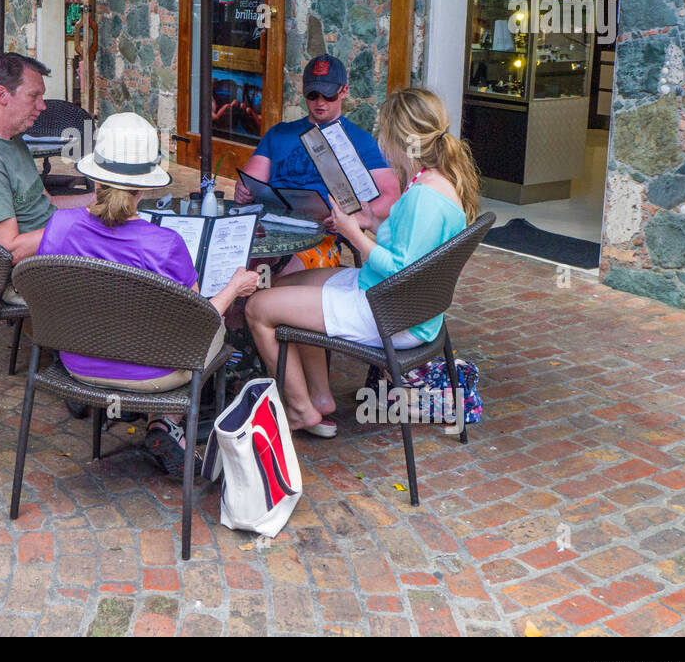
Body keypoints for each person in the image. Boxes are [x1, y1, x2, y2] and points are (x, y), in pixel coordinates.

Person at [245, 88, 480, 436]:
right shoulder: (439, 183)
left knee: (257, 307)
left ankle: (300, 410)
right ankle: (320, 398)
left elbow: (400, 269)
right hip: (397, 302)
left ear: (400, 138)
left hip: (390, 312)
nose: (380, 141)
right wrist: (372, 221)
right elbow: (412, 246)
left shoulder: (424, 197)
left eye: (384, 133)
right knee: (286, 285)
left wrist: (353, 234)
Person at [38, 112, 260, 476]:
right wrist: (235, 287)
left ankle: (162, 424)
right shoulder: (166, 244)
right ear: (145, 187)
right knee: (208, 325)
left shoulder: (60, 226)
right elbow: (199, 319)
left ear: (94, 176)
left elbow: (49, 296)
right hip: (151, 375)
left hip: (78, 361)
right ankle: (165, 421)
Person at [233, 53, 401, 268]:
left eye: (328, 96)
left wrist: (351, 217)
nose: (320, 102)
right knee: (229, 266)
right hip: (271, 227)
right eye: (313, 95)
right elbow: (251, 181)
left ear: (344, 91)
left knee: (285, 281)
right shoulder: (280, 133)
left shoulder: (360, 141)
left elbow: (391, 196)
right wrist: (243, 190)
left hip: (320, 236)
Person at [0, 53, 91, 262]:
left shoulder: (11, 138)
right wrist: (83, 228)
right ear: (2, 95)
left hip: (60, 244)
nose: (42, 106)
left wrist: (100, 201)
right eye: (34, 96)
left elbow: (47, 203)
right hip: (44, 267)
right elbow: (11, 250)